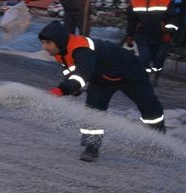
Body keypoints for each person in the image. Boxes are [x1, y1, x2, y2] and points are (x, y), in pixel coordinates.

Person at [38, 20, 165, 162]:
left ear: (58, 40)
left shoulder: (82, 48)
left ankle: (159, 142)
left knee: (150, 108)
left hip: (131, 73)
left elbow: (82, 74)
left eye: (48, 43)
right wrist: (74, 87)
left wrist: (61, 90)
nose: (44, 47)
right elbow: (73, 71)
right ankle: (91, 148)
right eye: (43, 42)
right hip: (102, 80)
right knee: (93, 112)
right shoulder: (60, 52)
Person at [126, 0, 173, 83]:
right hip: (143, 36)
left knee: (159, 59)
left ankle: (156, 74)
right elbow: (131, 21)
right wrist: (130, 36)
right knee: (144, 59)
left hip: (161, 37)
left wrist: (168, 32)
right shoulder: (135, 3)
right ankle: (145, 77)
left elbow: (172, 19)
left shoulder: (165, 1)